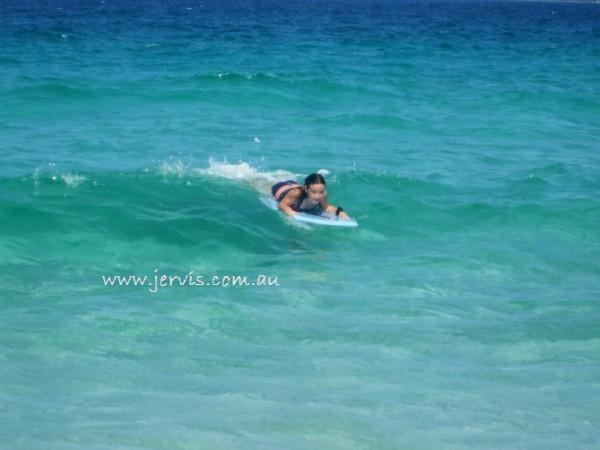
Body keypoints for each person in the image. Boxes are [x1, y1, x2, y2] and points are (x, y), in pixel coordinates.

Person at [271, 173, 350, 220]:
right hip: (279, 189)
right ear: (306, 189)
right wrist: (291, 212)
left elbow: (326, 207)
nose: (318, 196)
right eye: (314, 192)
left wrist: (339, 212)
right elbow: (282, 205)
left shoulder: (323, 195)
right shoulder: (295, 193)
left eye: (321, 192)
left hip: (296, 185)